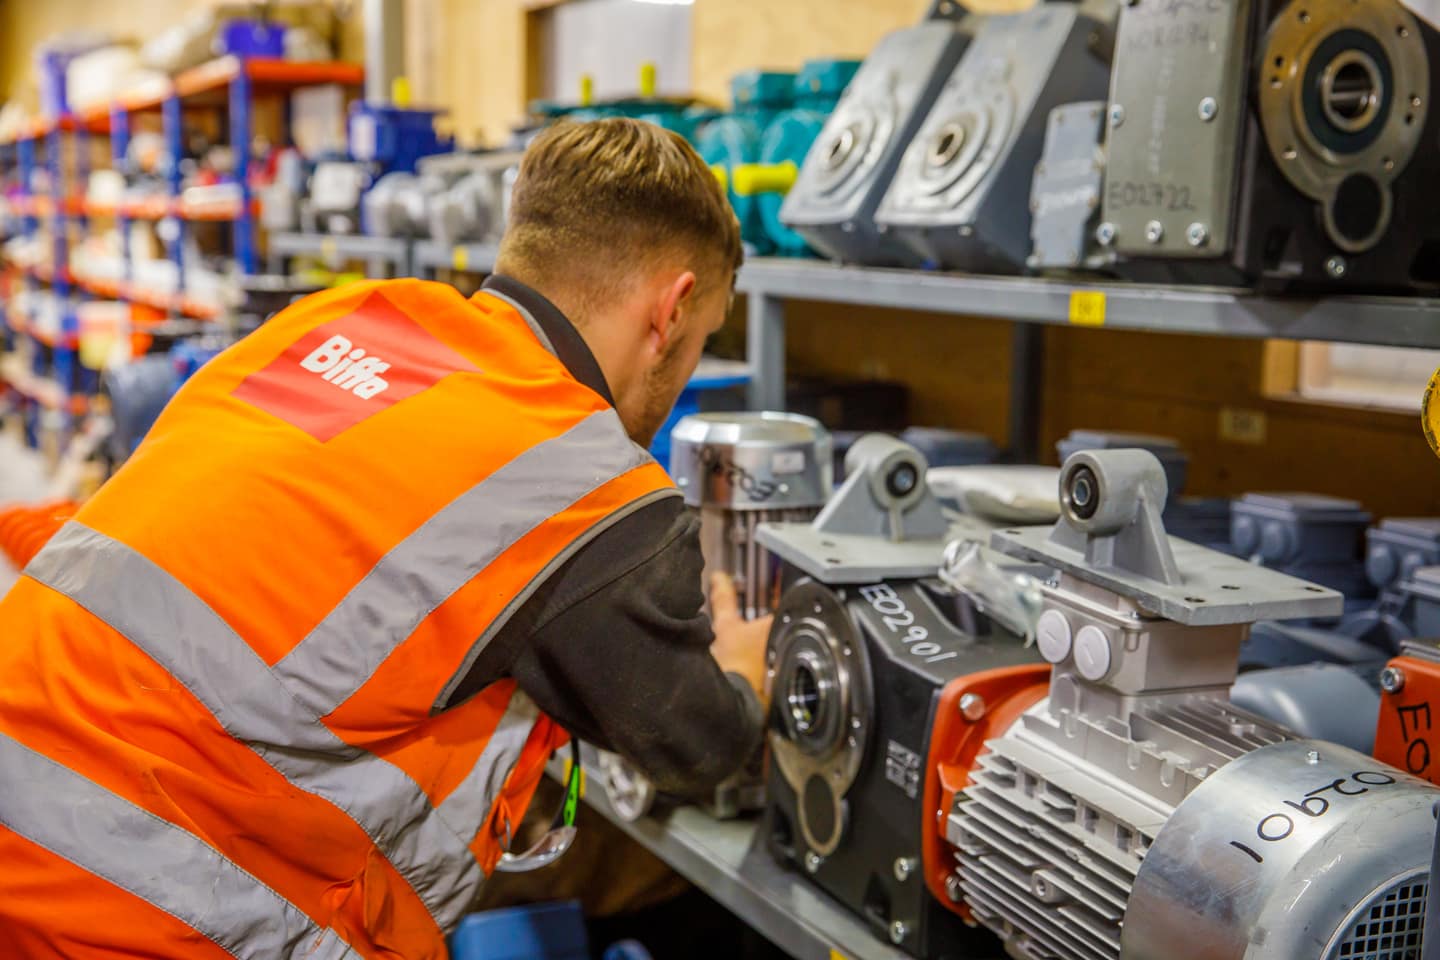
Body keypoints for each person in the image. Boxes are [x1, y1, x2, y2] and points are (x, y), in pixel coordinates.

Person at [0, 117, 771, 959]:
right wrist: (743, 671)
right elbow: (699, 743)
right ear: (671, 309)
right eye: (700, 341)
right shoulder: (588, 480)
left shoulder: (341, 318)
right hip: (126, 904)